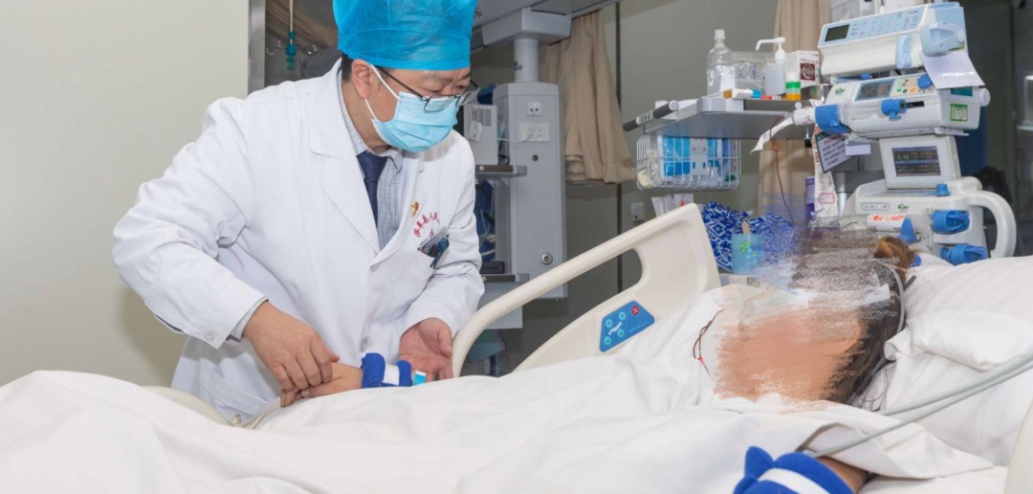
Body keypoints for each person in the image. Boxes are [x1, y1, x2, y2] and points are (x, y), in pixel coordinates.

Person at [113, 0, 484, 422]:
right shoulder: (256, 129)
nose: (447, 109)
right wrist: (254, 318)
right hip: (253, 403)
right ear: (366, 76)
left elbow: (458, 267)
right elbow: (148, 240)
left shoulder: (452, 156)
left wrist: (431, 317)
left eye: (459, 89)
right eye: (432, 92)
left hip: (376, 400)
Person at [276, 234, 914, 493]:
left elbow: (842, 453)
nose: (749, 318)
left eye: (786, 309)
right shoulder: (673, 366)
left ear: (838, 347)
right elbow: (512, 404)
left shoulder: (805, 426)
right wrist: (376, 386)